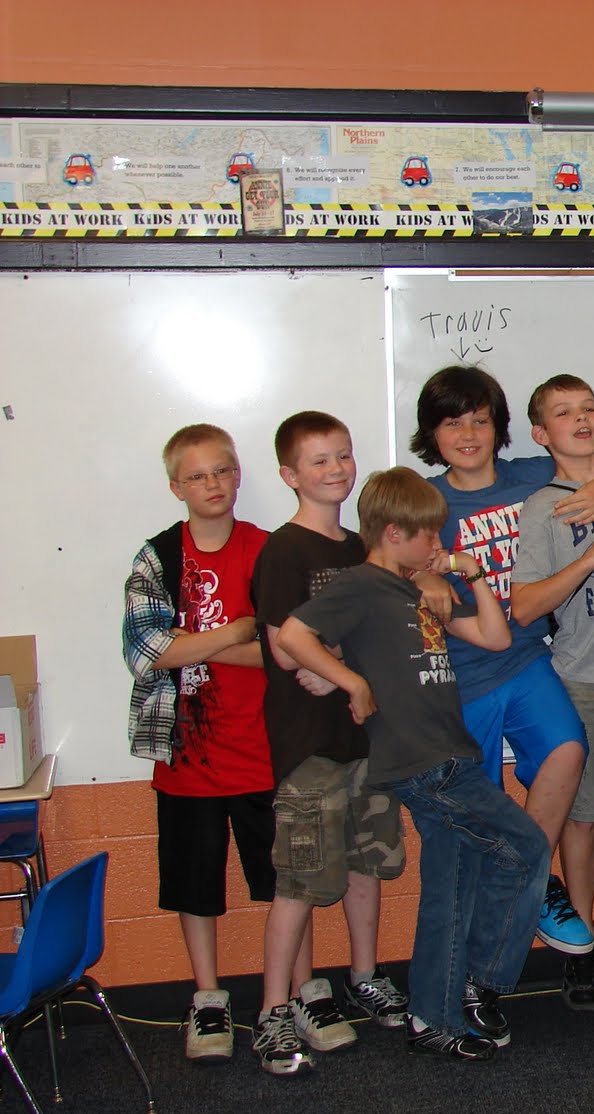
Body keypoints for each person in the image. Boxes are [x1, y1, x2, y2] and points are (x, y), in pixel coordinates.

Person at [278, 467, 551, 1061]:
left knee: (449, 891)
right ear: (394, 533)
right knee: (527, 847)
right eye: (428, 534)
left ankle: (431, 1017)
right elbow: (294, 636)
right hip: (422, 762)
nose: (437, 543)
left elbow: (496, 638)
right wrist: (352, 682)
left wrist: (469, 574)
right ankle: (483, 979)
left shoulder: (418, 590)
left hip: (452, 754)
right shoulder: (360, 584)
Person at [412, 365, 594, 962]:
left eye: (480, 421)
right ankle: (501, 919)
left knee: (567, 749)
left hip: (528, 656)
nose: (468, 435)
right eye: (452, 423)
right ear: (431, 433)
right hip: (459, 669)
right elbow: (392, 555)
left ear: (502, 428)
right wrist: (422, 579)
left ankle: (524, 873)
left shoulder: (531, 476)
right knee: (472, 807)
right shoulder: (427, 497)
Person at [250, 412, 409, 1076]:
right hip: (311, 747)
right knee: (301, 878)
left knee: (367, 865)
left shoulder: (361, 548)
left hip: (367, 740)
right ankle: (273, 1010)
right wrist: (343, 666)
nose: (337, 469)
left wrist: (339, 661)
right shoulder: (284, 552)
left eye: (343, 455)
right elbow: (286, 650)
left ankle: (365, 976)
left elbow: (383, 631)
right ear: (290, 475)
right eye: (319, 460)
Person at [122, 424, 273, 1065]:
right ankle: (208, 998)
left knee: (282, 884)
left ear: (238, 476)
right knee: (194, 886)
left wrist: (194, 643)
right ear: (175, 487)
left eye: (222, 471)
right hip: (187, 756)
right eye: (197, 476)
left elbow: (285, 649)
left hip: (266, 751)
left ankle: (285, 997)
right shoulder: (157, 558)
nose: (212, 484)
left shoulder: (267, 550)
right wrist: (235, 632)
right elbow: (145, 652)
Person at [509, 373, 594, 1009]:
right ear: (541, 434)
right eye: (564, 413)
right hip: (582, 679)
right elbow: (525, 605)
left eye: (589, 407)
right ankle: (582, 939)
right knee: (583, 817)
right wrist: (593, 558)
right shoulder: (543, 507)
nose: (581, 419)